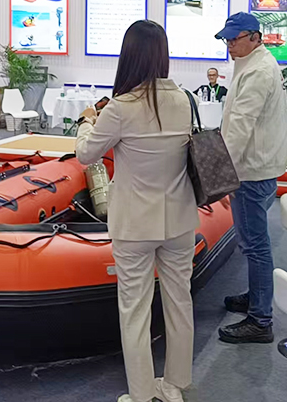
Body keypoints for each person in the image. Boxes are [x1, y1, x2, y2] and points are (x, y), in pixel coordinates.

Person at [75, 20, 196, 402]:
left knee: (135, 311)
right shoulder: (183, 100)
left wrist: (86, 122)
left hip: (134, 224)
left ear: (128, 56)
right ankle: (174, 384)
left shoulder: (120, 107)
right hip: (180, 218)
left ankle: (141, 394)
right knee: (180, 302)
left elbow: (86, 154)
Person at [215, 12, 287, 344]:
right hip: (258, 166)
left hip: (250, 171)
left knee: (256, 246)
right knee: (253, 244)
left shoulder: (258, 71)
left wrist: (220, 173)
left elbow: (240, 126)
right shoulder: (254, 63)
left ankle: (260, 320)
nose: (230, 45)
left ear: (255, 37)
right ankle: (256, 297)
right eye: (227, 39)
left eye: (235, 39)